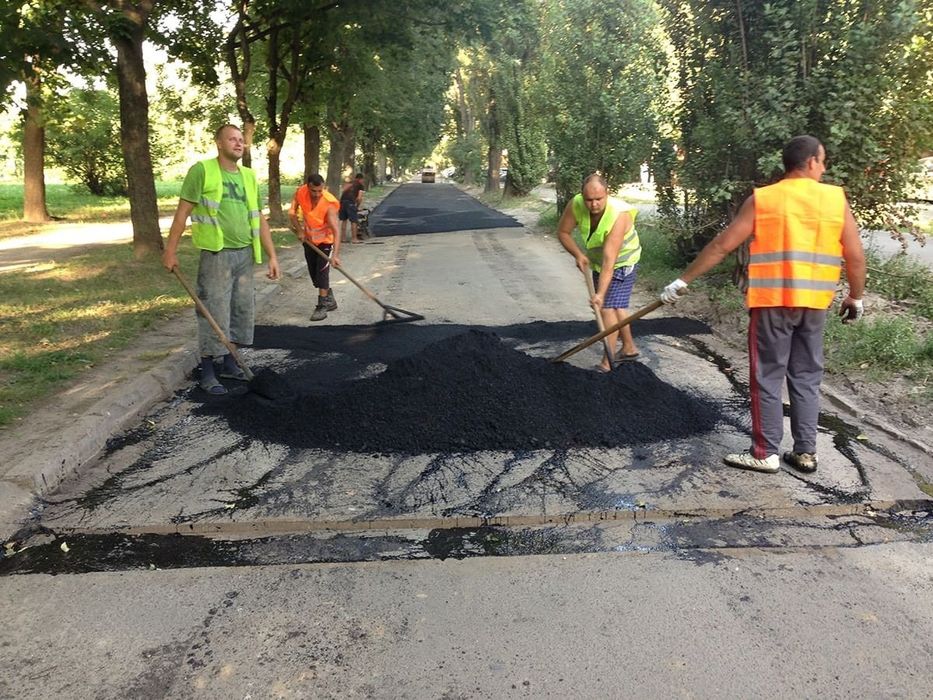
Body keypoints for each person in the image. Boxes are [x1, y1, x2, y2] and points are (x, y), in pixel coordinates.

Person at [660, 135, 866, 474]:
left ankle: (765, 452)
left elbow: (723, 245)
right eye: (823, 160)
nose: (824, 167)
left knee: (768, 376)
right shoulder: (834, 199)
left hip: (772, 304)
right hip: (814, 305)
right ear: (811, 162)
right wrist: (855, 296)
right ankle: (805, 453)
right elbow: (855, 254)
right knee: (806, 377)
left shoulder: (765, 199)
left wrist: (683, 281)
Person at [162, 123, 280, 396]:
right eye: (232, 139)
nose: (239, 144)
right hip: (217, 255)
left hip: (244, 255)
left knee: (240, 310)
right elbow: (182, 213)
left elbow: (259, 218)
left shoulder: (249, 176)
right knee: (213, 311)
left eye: (241, 140)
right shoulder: (203, 170)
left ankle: (229, 363)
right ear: (219, 143)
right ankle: (208, 371)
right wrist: (170, 250)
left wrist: (272, 255)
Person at [557, 173, 642, 372]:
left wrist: (600, 295)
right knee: (616, 305)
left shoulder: (618, 215)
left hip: (624, 262)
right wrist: (578, 254)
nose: (594, 204)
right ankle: (629, 347)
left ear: (607, 194)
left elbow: (609, 261)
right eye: (589, 200)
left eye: (598, 199)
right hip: (598, 263)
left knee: (606, 308)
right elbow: (562, 232)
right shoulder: (576, 204)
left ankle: (606, 363)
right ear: (581, 196)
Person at [289, 173, 341, 321]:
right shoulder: (301, 192)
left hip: (326, 241)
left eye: (320, 190)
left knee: (322, 272)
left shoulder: (329, 202)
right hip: (309, 240)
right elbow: (292, 213)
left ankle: (322, 305)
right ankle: (329, 299)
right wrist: (299, 231)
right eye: (314, 191)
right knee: (315, 276)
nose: (317, 194)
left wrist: (335, 255)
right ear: (308, 186)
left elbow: (336, 231)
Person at [339, 172, 366, 243]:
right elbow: (359, 198)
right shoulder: (360, 185)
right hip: (350, 202)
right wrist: (357, 206)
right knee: (354, 221)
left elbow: (343, 191)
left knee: (344, 220)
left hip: (342, 202)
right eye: (363, 180)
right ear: (361, 179)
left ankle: (343, 238)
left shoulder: (349, 183)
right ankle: (354, 239)